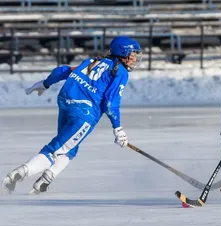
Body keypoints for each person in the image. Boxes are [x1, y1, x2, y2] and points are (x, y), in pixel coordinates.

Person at [1, 36, 141, 194]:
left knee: (69, 146)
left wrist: (45, 83)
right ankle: (17, 175)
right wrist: (118, 129)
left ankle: (45, 180)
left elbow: (62, 71)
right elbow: (110, 103)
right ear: (124, 52)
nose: (135, 58)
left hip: (66, 104)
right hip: (84, 113)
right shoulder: (121, 72)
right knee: (55, 150)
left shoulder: (92, 61)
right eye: (133, 54)